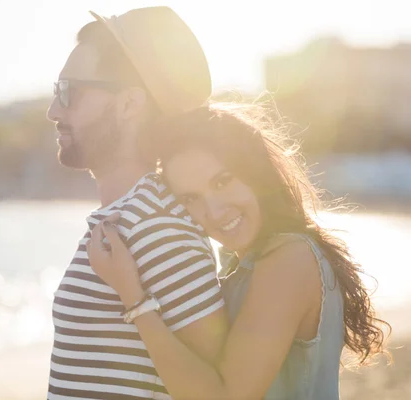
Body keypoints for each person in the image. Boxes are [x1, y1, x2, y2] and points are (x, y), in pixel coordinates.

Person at [88, 102, 392, 400]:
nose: (214, 211)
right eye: (191, 199)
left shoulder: (290, 259)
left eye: (222, 182)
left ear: (254, 172)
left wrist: (135, 299)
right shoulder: (244, 264)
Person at [45, 7, 228, 400]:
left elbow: (212, 392)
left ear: (129, 104)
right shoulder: (130, 216)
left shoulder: (158, 225)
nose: (53, 111)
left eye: (68, 92)